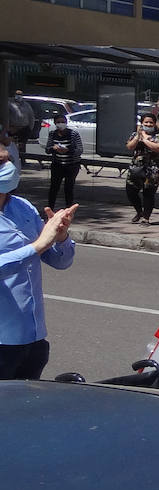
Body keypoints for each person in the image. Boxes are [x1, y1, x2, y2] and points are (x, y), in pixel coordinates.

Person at [0, 143, 77, 379]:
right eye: (1, 162)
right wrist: (37, 246)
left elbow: (59, 261)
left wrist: (61, 236)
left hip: (33, 340)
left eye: (9, 159)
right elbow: (38, 247)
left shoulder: (21, 207)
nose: (9, 166)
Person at [125, 113, 159, 225]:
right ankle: (139, 212)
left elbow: (158, 148)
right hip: (136, 167)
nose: (148, 124)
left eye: (151, 122)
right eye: (146, 122)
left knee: (148, 193)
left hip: (152, 169)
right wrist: (139, 136)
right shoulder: (135, 134)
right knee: (130, 190)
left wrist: (145, 140)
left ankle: (146, 218)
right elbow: (129, 146)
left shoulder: (158, 136)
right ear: (142, 123)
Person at [44, 113, 82, 210]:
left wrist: (68, 150)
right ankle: (50, 209)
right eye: (58, 122)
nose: (61, 124)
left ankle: (68, 209)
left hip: (71, 165)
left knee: (68, 188)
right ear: (55, 123)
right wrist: (54, 148)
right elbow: (47, 149)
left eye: (63, 122)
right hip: (57, 164)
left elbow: (80, 150)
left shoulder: (73, 134)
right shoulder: (52, 134)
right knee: (54, 187)